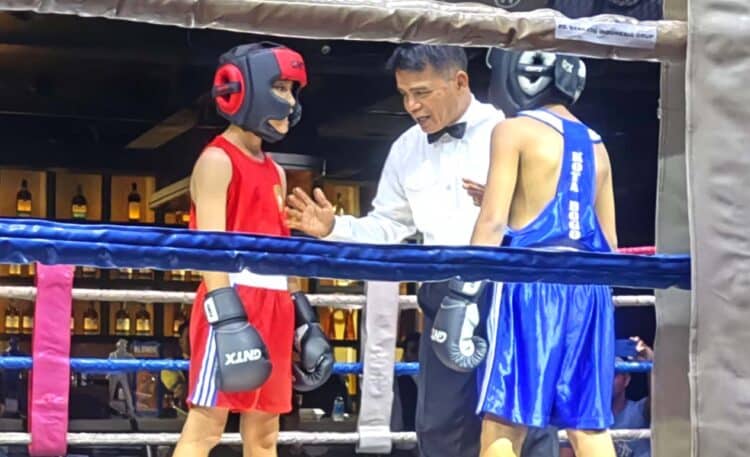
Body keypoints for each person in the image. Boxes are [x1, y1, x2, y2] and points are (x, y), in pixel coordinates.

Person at [286, 43, 559, 457]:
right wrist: (334, 227)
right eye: (404, 94)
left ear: (459, 81)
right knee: (440, 424)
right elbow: (390, 226)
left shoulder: (510, 133)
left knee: (520, 416)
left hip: (507, 290)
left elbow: (556, 221)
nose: (412, 105)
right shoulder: (406, 148)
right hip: (440, 290)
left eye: (422, 92)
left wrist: (512, 206)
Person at [430, 49, 618, 457]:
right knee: (588, 426)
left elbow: (494, 223)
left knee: (503, 421)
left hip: (530, 285)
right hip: (589, 291)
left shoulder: (513, 131)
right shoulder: (598, 145)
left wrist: (462, 292)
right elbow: (609, 244)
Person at [173, 42, 333, 457]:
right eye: (280, 88)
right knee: (205, 426)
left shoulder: (276, 171)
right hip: (231, 302)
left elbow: (282, 251)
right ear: (245, 90)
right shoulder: (216, 160)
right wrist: (227, 318)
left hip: (276, 305)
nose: (290, 102)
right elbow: (208, 249)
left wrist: (304, 319)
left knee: (264, 434)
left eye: (293, 91)